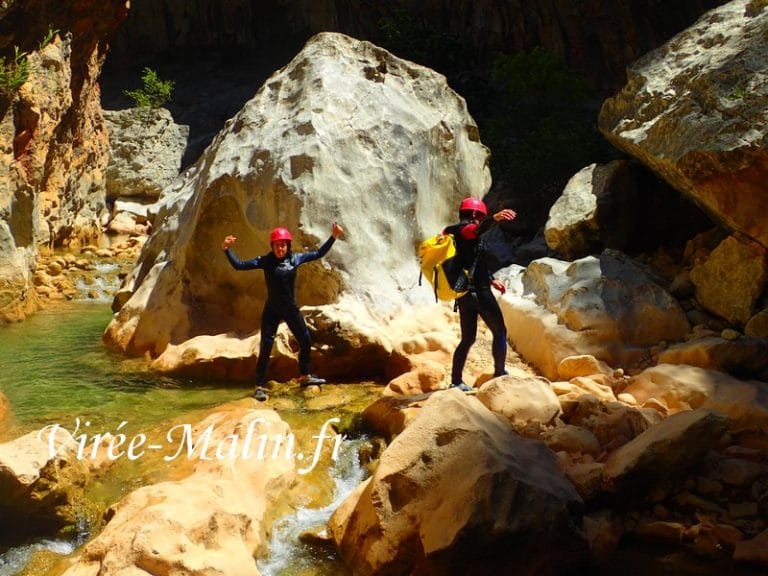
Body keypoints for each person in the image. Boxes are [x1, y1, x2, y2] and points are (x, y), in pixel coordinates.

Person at [222, 222, 344, 401]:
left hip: (291, 309)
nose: (280, 248)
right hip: (272, 310)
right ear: (272, 246)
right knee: (266, 347)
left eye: (283, 245)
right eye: (277, 245)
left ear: (288, 246)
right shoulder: (266, 261)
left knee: (305, 340)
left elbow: (319, 253)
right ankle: (259, 386)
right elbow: (239, 265)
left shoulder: (295, 259)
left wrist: (333, 236)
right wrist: (226, 249)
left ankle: (305, 376)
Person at [443, 197, 516, 391]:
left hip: (464, 294)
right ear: (476, 214)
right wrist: (494, 219)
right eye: (480, 217)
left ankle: (456, 381)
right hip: (480, 293)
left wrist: (492, 278)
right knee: (500, 331)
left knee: (468, 339)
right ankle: (500, 373)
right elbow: (474, 230)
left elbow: (472, 261)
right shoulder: (463, 230)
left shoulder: (452, 233)